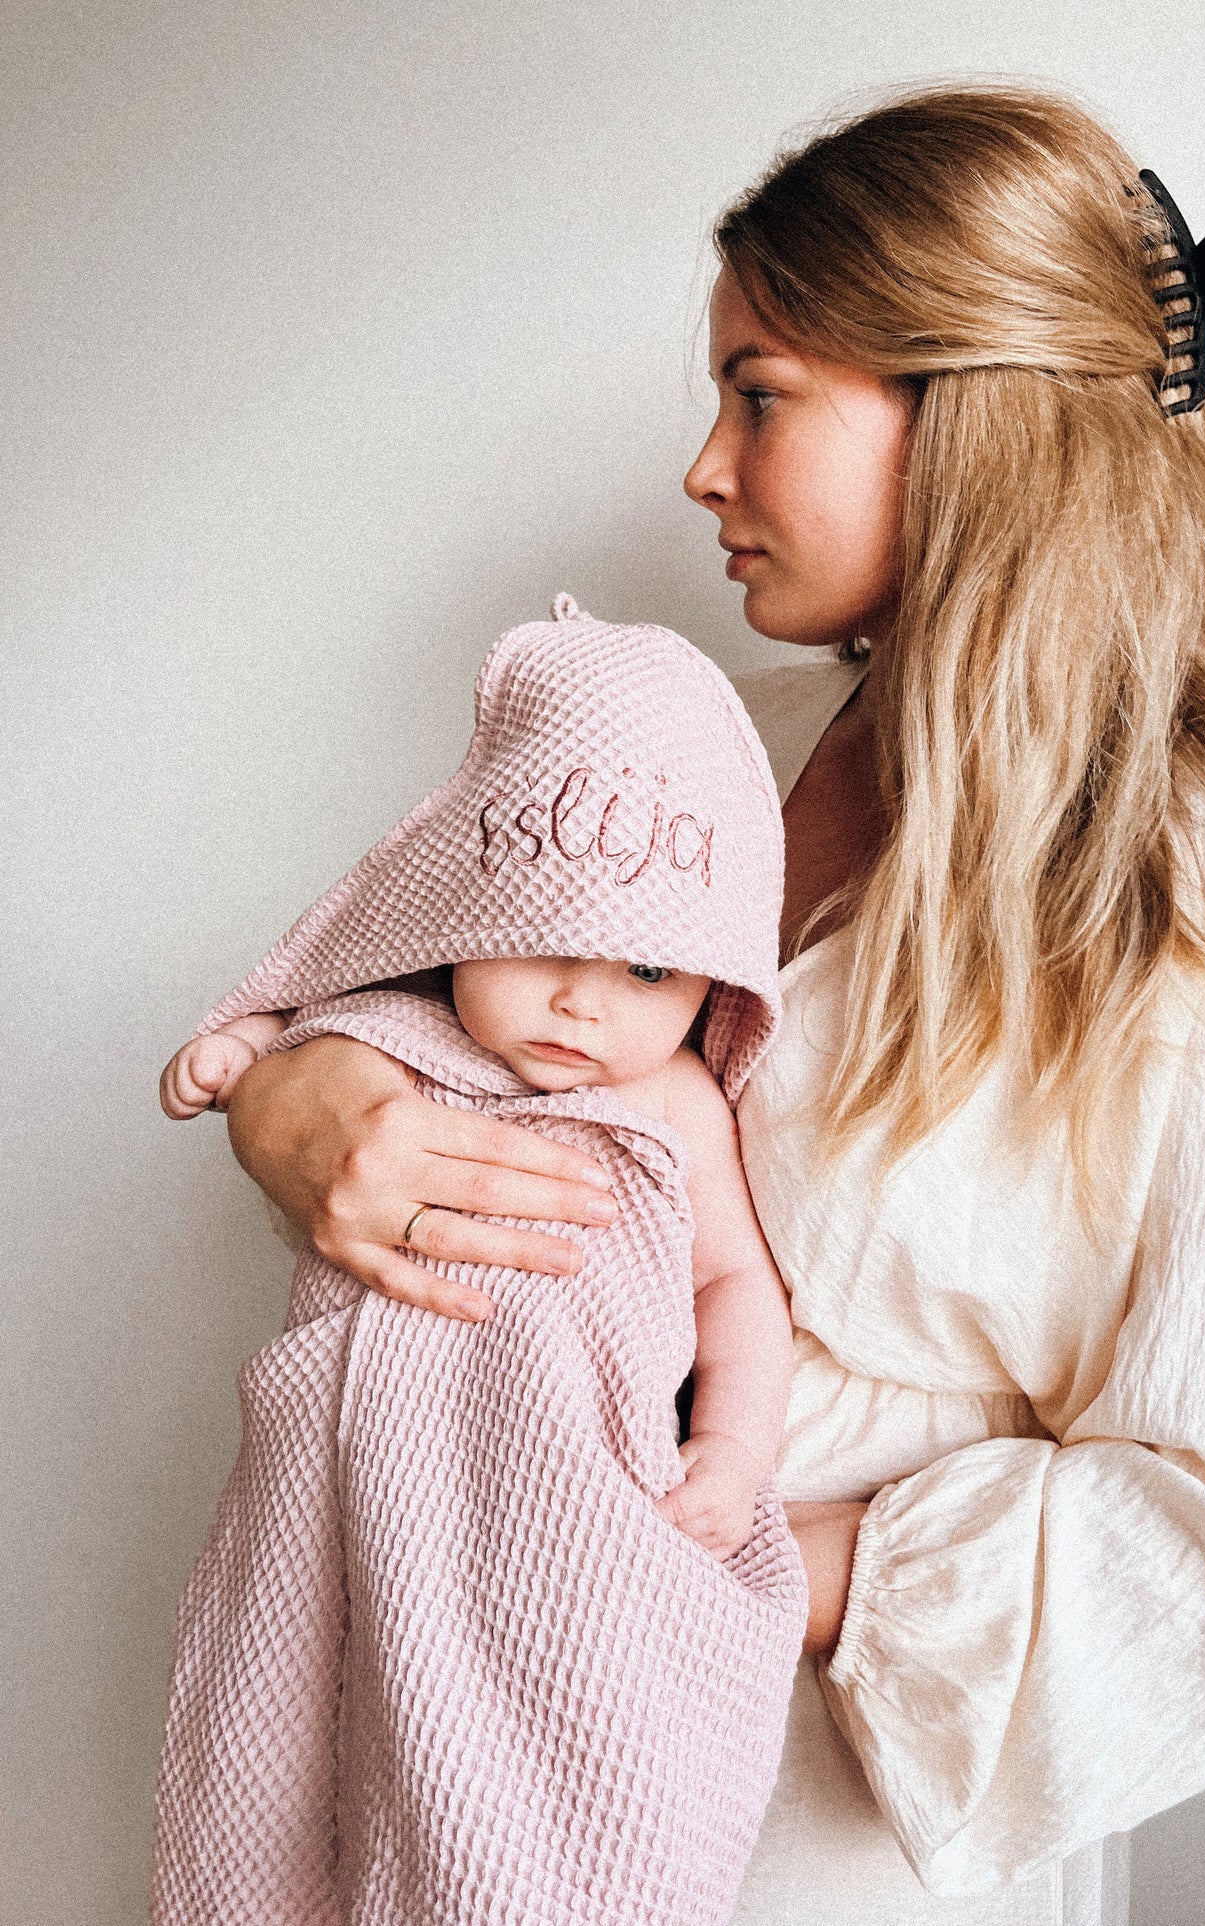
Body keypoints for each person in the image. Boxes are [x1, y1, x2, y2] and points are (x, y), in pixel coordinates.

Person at [214, 83, 1205, 1925]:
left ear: (973, 420)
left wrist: (714, 1544)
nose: (701, 469)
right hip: (461, 1720)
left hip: (821, 1814)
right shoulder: (691, 766)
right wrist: (294, 1109)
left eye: (758, 394)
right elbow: (410, 995)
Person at [149, 608, 808, 1925]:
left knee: (545, 1804)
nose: (582, 1000)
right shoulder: (394, 1030)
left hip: (558, 1500)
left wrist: (730, 1456)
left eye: (644, 966)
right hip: (354, 1482)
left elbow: (740, 1288)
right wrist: (255, 1047)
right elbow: (296, 1056)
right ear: (458, 916)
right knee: (290, 1756)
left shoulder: (677, 1101)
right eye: (538, 941)